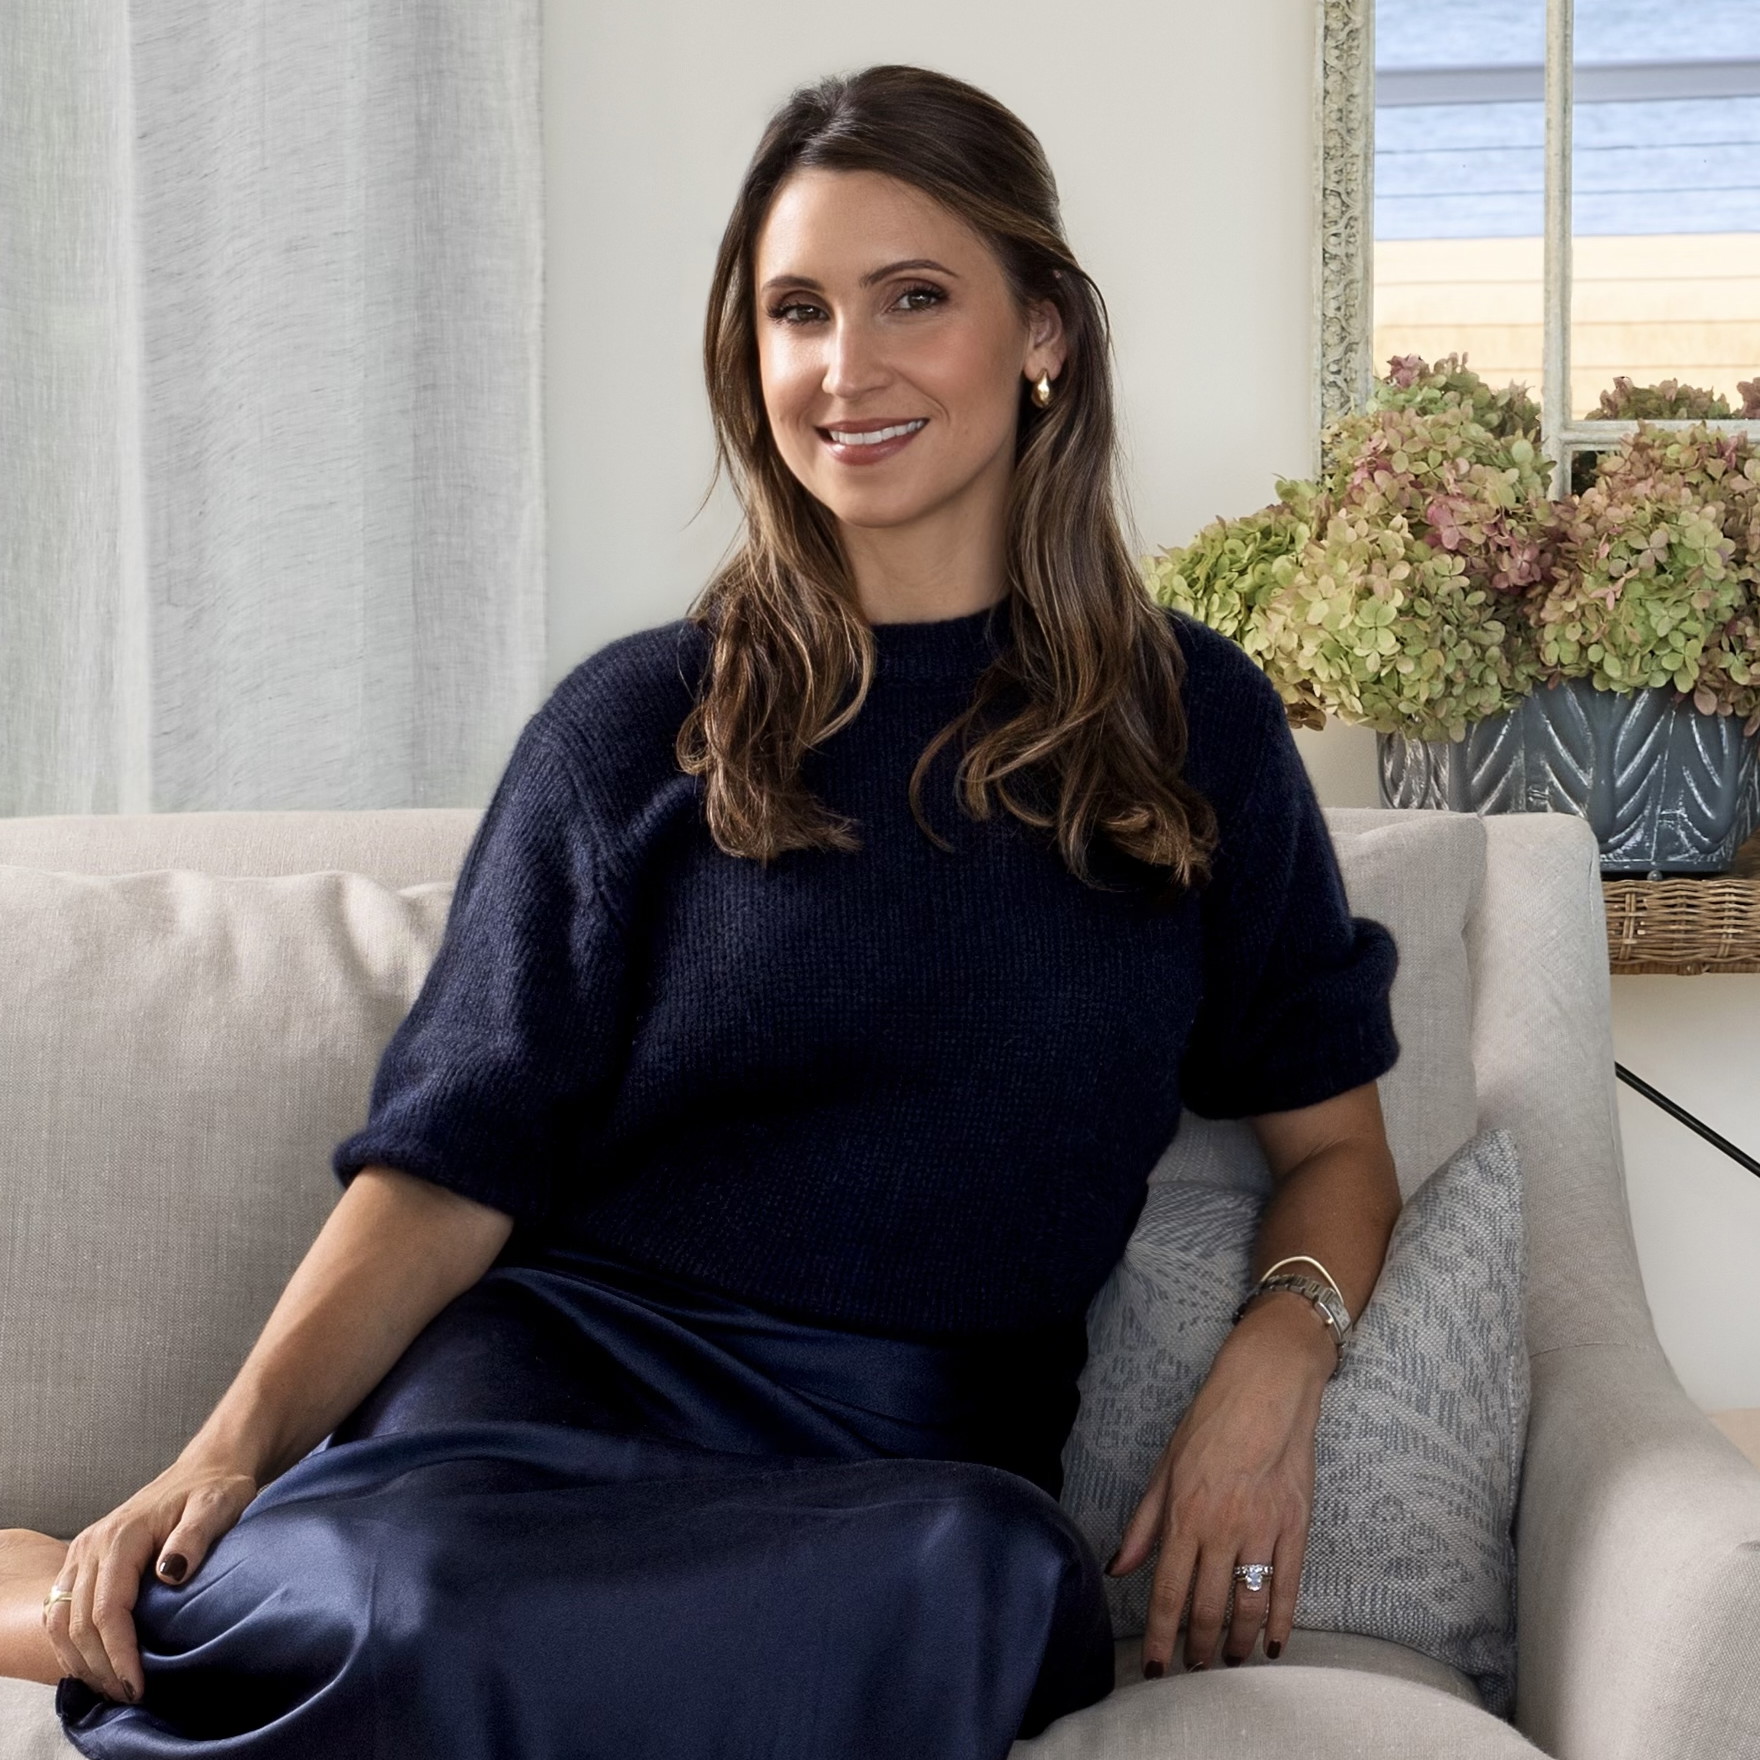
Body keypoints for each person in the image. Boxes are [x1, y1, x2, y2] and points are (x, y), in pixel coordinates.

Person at [0, 62, 1403, 1758]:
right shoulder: (633, 729)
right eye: (794, 312)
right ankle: (72, 1589)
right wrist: (222, 1450)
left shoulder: (1192, 730)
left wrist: (1281, 1356)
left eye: (914, 299)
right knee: (416, 1604)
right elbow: (449, 1171)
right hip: (549, 1397)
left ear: (1043, 333)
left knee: (987, 1583)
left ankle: (206, 1627)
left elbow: (1333, 1144)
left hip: (913, 1464)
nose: (846, 366)